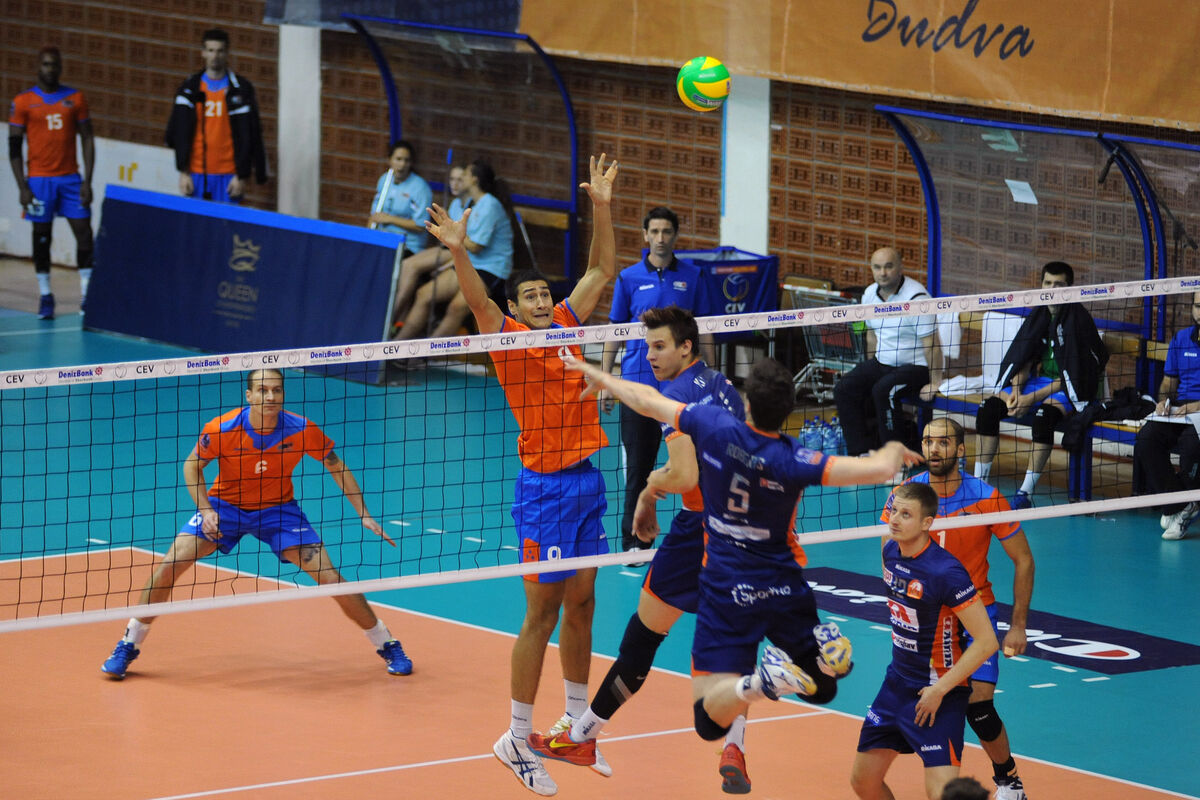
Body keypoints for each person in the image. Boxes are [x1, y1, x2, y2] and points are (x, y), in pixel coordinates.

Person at [559, 353, 922, 794]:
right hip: (784, 587)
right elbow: (878, 469)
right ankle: (807, 658)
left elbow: (648, 401)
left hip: (729, 587)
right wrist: (891, 451)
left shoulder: (713, 426)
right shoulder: (797, 457)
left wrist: (602, 377)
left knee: (707, 722)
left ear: (747, 405)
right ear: (788, 411)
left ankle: (760, 682)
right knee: (822, 687)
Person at [423, 154, 617, 797]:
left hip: (588, 482)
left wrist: (603, 206)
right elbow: (476, 299)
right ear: (514, 306)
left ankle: (575, 727)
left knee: (584, 603)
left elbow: (601, 270)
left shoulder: (566, 323)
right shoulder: (505, 338)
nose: (540, 301)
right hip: (544, 491)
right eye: (529, 296)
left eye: (544, 294)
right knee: (542, 613)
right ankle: (515, 735)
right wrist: (458, 250)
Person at [528, 305, 753, 793]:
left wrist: (651, 488)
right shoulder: (723, 386)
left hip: (699, 530)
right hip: (744, 531)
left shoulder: (676, 394)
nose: (650, 356)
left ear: (686, 348)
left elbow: (685, 474)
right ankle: (734, 746)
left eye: (659, 346)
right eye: (647, 347)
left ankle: (583, 737)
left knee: (642, 639)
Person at [99, 369, 411, 680]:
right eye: (262, 390)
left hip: (278, 511)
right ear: (249, 395)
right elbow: (192, 466)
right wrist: (205, 510)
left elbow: (336, 465)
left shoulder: (301, 429)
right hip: (225, 508)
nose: (270, 397)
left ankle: (387, 643)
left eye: (276, 390)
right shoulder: (222, 428)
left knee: (331, 578)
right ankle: (128, 644)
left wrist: (364, 513)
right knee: (170, 564)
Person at [884, 417, 1034, 800]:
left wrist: (1018, 625)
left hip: (973, 612)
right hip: (928, 618)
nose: (934, 449)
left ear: (961, 449)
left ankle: (1009, 781)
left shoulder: (987, 498)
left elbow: (1023, 560)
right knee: (914, 696)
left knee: (978, 705)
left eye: (944, 442)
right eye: (928, 442)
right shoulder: (905, 495)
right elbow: (887, 548)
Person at [850, 482, 1000, 800]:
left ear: (927, 523)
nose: (894, 519)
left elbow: (987, 642)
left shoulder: (946, 572)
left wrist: (939, 690)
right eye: (893, 511)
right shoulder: (890, 551)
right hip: (895, 686)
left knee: (942, 795)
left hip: (938, 694)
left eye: (906, 514)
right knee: (863, 782)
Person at [600, 207, 712, 553]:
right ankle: (634, 542)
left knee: (695, 468)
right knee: (639, 470)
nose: (661, 238)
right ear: (645, 235)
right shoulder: (628, 278)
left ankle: (700, 540)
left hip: (683, 390)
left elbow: (707, 329)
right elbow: (615, 330)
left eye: (667, 232)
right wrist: (606, 379)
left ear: (675, 236)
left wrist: (711, 375)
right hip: (639, 388)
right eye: (655, 232)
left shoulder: (694, 277)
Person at [973, 261, 1108, 509]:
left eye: (1059, 285)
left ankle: (1025, 492)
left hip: (1067, 387)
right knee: (987, 409)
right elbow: (1024, 359)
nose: (1052, 289)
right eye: (1048, 283)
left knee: (1044, 417)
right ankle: (979, 486)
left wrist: (1031, 399)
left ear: (1070, 288)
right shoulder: (1039, 315)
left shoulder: (1078, 322)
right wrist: (1016, 392)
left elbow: (1074, 376)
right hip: (1038, 383)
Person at [7, 46, 95, 320]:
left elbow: (87, 138)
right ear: (38, 66)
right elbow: (14, 148)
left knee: (84, 232)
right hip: (39, 180)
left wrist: (87, 181)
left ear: (60, 67)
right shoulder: (23, 102)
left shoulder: (75, 98)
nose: (50, 69)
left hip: (70, 179)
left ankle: (87, 294)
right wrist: (22, 187)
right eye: (45, 64)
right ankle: (46, 296)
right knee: (41, 236)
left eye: (54, 64)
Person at [391, 158, 515, 340]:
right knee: (424, 294)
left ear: (474, 179)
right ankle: (396, 344)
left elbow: (475, 246)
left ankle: (429, 352)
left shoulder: (490, 204)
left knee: (456, 308)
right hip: (469, 262)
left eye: (465, 175)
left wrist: (452, 236)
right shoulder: (470, 202)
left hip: (491, 269)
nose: (460, 178)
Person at [834, 247, 941, 456]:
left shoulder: (917, 298)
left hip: (916, 367)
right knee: (844, 388)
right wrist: (867, 369)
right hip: (882, 363)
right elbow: (871, 335)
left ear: (900, 268)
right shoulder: (869, 294)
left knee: (883, 390)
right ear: (871, 269)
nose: (882, 273)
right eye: (877, 267)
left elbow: (932, 344)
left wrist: (935, 381)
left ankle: (896, 459)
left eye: (888, 267)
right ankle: (861, 453)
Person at [165, 28, 267, 203]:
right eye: (211, 50)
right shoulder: (189, 88)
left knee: (226, 221)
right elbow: (177, 132)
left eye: (220, 51)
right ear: (203, 52)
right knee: (196, 221)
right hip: (196, 174)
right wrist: (183, 172)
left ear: (227, 53)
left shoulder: (241, 89)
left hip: (229, 176)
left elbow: (252, 134)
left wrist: (241, 175)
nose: (215, 56)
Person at [1134, 291, 1200, 540]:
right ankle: (1181, 504)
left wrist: (1198, 406)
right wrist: (1163, 401)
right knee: (1146, 439)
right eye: (1198, 306)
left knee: (1192, 447)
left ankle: (1185, 503)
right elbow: (1168, 384)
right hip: (1180, 409)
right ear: (1192, 308)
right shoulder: (1181, 339)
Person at [367, 139, 432, 254]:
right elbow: (374, 215)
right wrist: (367, 237)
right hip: (383, 240)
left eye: (406, 160)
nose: (402, 164)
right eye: (398, 159)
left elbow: (421, 225)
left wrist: (390, 219)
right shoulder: (384, 180)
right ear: (390, 160)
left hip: (407, 246)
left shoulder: (420, 188)